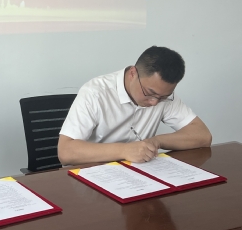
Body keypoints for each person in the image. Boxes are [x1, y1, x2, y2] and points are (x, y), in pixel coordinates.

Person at [58, 46, 211, 165]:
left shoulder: (162, 95)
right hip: (94, 174)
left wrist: (157, 141)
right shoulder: (95, 93)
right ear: (133, 73)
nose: (154, 102)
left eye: (163, 97)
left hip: (138, 176)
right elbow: (65, 152)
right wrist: (124, 150)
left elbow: (203, 136)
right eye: (149, 93)